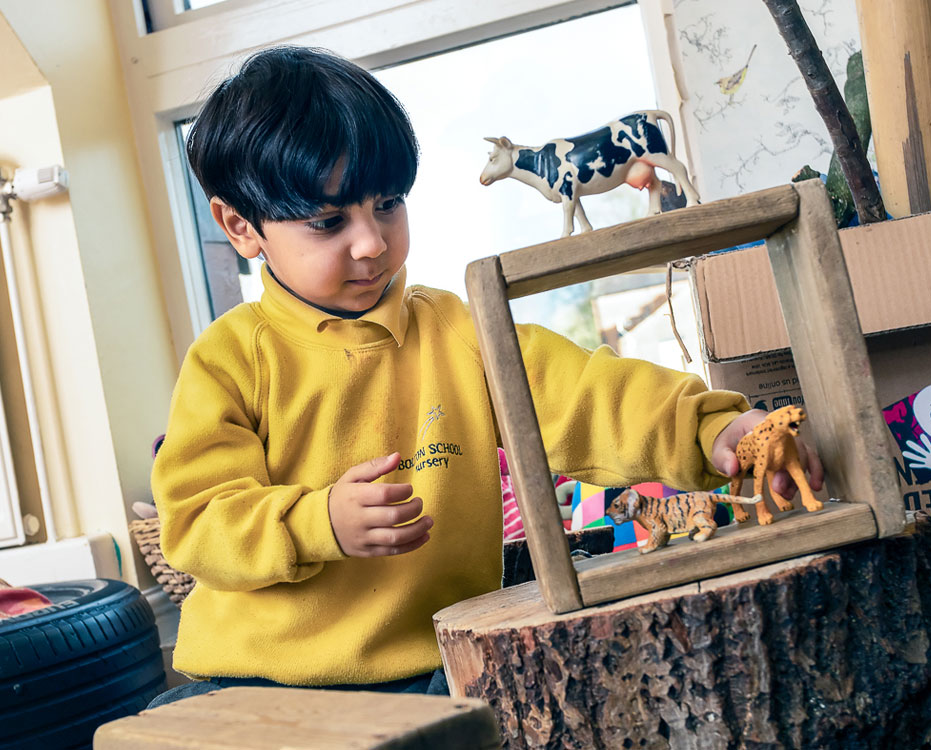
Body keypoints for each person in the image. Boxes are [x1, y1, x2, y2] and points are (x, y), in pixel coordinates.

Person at [148, 45, 823, 706]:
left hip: (434, 668)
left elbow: (586, 394)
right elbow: (198, 520)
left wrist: (716, 427)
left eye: (388, 204)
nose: (371, 242)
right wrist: (314, 521)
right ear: (240, 227)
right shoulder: (230, 357)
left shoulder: (459, 332)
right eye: (328, 222)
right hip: (254, 682)